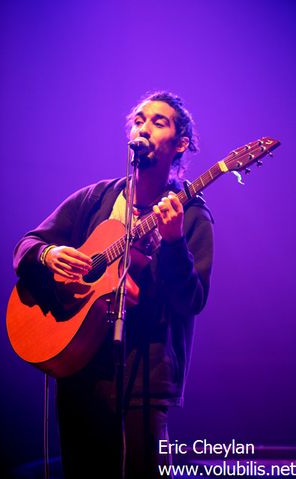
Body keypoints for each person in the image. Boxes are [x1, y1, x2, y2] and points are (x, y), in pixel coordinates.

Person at [13, 91, 214, 478]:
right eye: (139, 119)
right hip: (81, 368)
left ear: (180, 144)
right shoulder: (97, 198)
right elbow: (26, 245)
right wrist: (49, 255)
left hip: (145, 377)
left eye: (159, 121)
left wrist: (172, 243)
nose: (144, 126)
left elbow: (191, 300)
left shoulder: (191, 213)